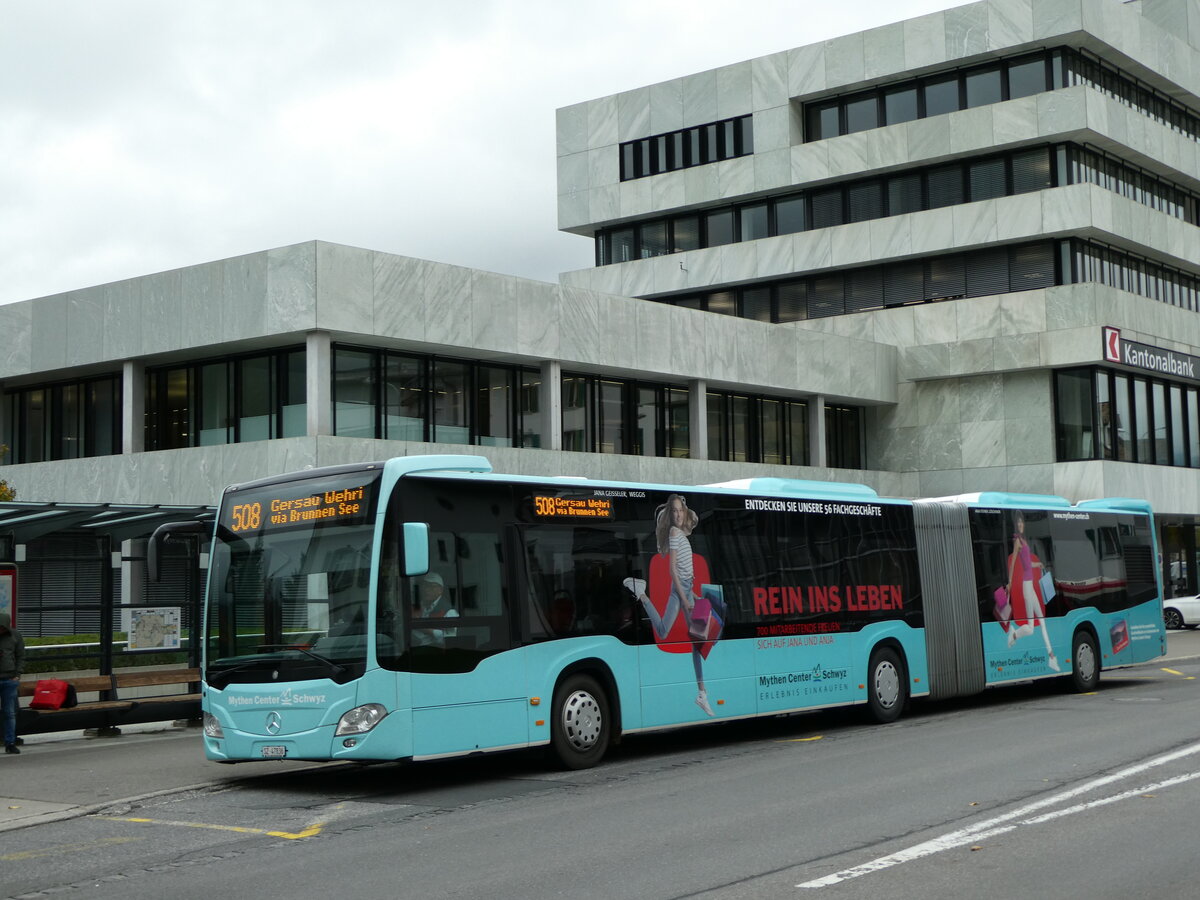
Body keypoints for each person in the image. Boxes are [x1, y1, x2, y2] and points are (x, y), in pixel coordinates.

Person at [624, 494, 725, 717]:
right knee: (683, 636)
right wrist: (686, 599)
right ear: (670, 515)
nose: (678, 515)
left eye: (681, 510)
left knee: (698, 640)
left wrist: (694, 595)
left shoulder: (681, 534)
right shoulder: (673, 533)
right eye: (675, 511)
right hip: (681, 592)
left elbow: (685, 572)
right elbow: (672, 571)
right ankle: (641, 593)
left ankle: (702, 693)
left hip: (687, 590)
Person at [1006, 511, 1060, 672]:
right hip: (1026, 586)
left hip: (1031, 584)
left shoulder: (1023, 540)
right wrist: (1009, 582)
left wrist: (1039, 565)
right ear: (1016, 525)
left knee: (1042, 622)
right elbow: (1014, 563)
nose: (1021, 525)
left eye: (1022, 522)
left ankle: (1052, 658)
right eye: (1019, 523)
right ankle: (1014, 635)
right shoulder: (1017, 541)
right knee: (1030, 628)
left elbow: (1027, 563)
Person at [411, 572, 458, 647]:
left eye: (432, 587)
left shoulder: (449, 611)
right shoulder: (419, 606)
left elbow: (450, 639)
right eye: (425, 586)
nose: (427, 590)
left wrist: (427, 630)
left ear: (440, 590)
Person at [0, 611, 25, 754]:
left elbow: (21, 655)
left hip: (9, 679)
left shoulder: (15, 636)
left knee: (9, 712)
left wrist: (17, 674)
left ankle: (10, 742)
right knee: (9, 712)